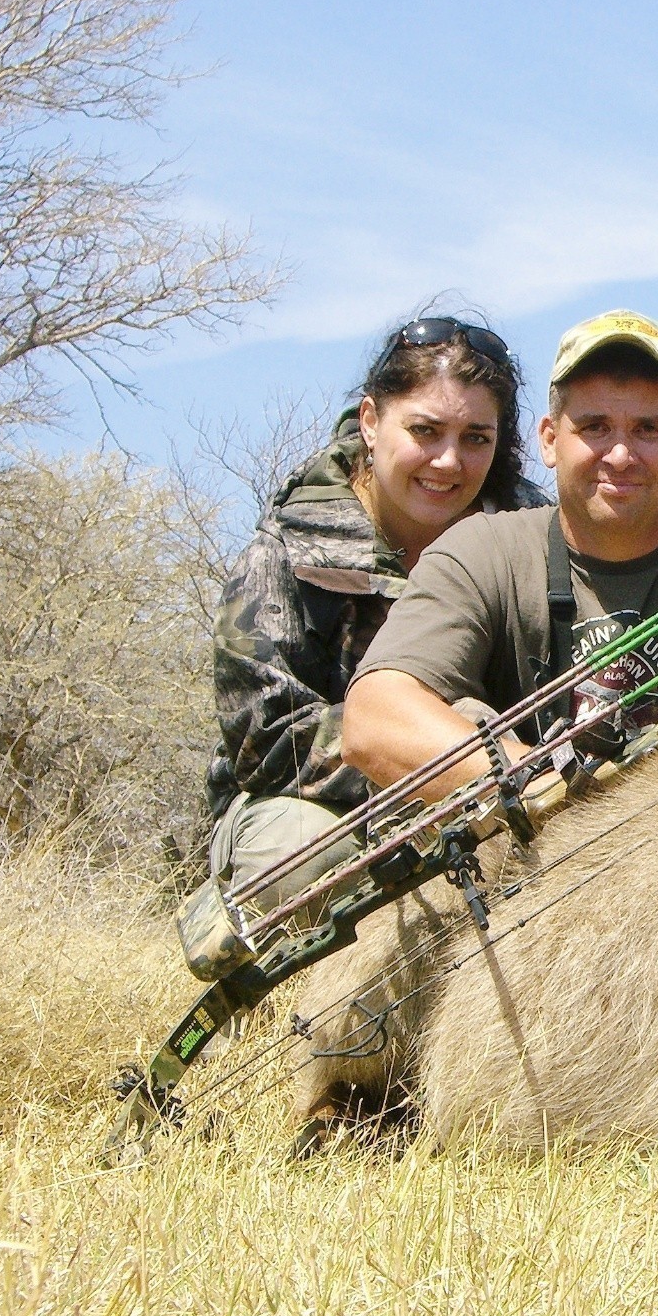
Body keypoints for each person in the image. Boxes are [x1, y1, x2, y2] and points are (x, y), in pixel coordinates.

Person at [341, 309, 658, 800]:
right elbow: (374, 722)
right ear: (549, 440)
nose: (619, 454)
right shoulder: (481, 552)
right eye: (594, 427)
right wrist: (549, 788)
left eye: (647, 429)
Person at [196, 317, 551, 950]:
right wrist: (425, 748)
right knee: (300, 859)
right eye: (425, 431)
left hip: (497, 787)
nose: (448, 461)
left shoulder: (532, 537)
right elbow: (265, 743)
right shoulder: (282, 551)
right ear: (369, 421)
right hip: (315, 808)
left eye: (476, 437)